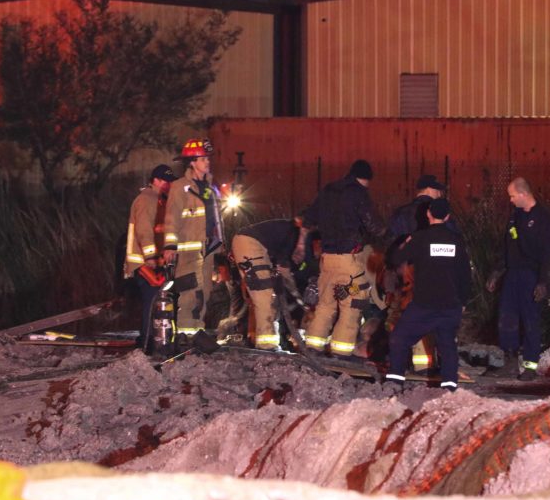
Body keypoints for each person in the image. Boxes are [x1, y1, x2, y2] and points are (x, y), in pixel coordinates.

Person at [297, 159, 387, 359]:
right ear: (364, 179)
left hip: (327, 262)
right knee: (353, 302)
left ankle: (313, 347)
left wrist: (301, 246)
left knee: (325, 305)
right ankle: (341, 352)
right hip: (349, 264)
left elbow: (308, 219)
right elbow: (376, 227)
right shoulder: (358, 192)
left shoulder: (328, 190)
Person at [384, 198, 471, 392]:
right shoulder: (456, 241)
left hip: (424, 306)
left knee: (399, 339)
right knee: (447, 345)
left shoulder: (420, 238)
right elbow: (465, 275)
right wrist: (462, 302)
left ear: (428, 214)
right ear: (448, 216)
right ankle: (449, 389)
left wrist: (404, 244)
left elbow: (395, 259)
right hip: (450, 306)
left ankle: (395, 384)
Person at [486, 177, 550, 381]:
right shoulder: (515, 216)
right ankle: (509, 362)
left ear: (523, 194)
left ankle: (530, 366)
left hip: (532, 276)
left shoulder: (544, 219)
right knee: (506, 319)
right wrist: (498, 271)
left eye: (512, 196)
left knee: (530, 320)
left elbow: (549, 254)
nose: (510, 200)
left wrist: (543, 282)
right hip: (513, 275)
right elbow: (507, 247)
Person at [386, 174, 451, 373]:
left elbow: (391, 244)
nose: (440, 194)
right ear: (430, 189)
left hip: (403, 271)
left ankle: (400, 359)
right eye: (438, 190)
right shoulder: (437, 212)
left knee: (400, 315)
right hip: (429, 273)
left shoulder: (400, 214)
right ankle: (426, 364)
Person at [163, 138, 225, 338]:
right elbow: (171, 218)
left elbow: (217, 220)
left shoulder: (210, 188)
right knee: (190, 293)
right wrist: (170, 245)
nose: (207, 162)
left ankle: (196, 333)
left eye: (207, 158)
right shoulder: (180, 187)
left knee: (205, 293)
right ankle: (183, 336)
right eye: (202, 158)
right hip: (189, 250)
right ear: (192, 162)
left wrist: (221, 248)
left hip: (208, 249)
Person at [124, 164, 178, 350]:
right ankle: (146, 344)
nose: (168, 185)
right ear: (155, 180)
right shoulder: (146, 200)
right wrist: (151, 257)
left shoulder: (157, 200)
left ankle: (152, 341)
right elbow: (144, 231)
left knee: (155, 300)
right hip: (143, 262)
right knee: (151, 301)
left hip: (151, 260)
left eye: (170, 182)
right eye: (165, 181)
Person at [231, 218, 301, 350]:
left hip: (251, 245)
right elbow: (284, 266)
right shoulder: (294, 234)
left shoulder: (288, 231)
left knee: (268, 297)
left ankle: (268, 342)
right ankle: (267, 345)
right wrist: (295, 291)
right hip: (251, 245)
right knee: (265, 297)